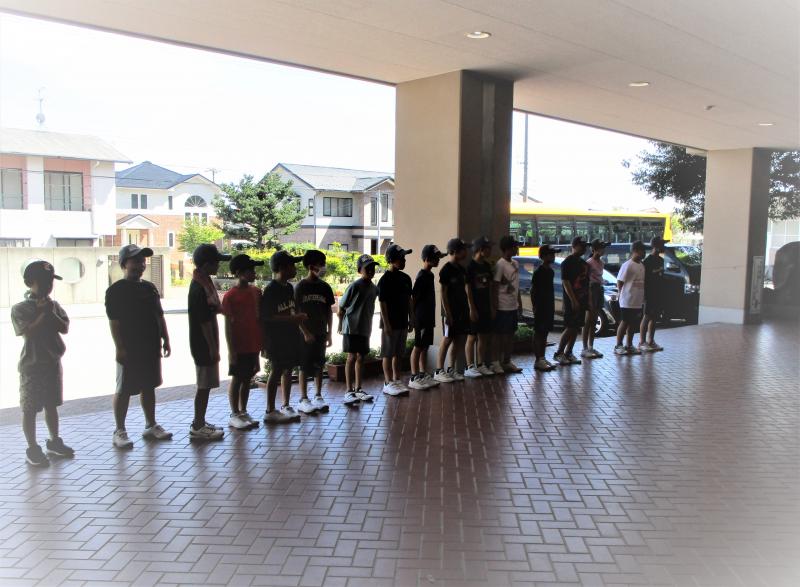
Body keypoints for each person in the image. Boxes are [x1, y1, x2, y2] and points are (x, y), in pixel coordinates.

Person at [106, 244, 173, 449]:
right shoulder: (116, 291)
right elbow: (114, 322)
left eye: (143, 261)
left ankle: (150, 425)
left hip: (150, 346)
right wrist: (120, 347)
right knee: (124, 389)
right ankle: (119, 430)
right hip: (129, 348)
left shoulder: (149, 288)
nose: (141, 265)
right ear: (124, 264)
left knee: (149, 385)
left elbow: (159, 315)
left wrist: (166, 338)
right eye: (135, 261)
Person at [11, 260, 73, 466]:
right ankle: (32, 448)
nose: (48, 286)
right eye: (43, 281)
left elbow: (64, 327)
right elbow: (26, 332)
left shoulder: (54, 305)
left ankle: (54, 441)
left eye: (50, 281)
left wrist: (50, 311)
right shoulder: (20, 308)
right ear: (30, 282)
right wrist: (42, 313)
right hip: (32, 366)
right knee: (29, 409)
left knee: (51, 405)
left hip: (52, 363)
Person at [188, 243, 231, 440]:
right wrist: (213, 348)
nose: (218, 266)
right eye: (216, 262)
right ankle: (197, 425)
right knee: (203, 385)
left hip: (207, 341)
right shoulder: (199, 288)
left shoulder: (204, 282)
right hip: (202, 343)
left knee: (205, 384)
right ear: (206, 264)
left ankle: (201, 421)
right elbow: (204, 321)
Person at [261, 250, 306, 423]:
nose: (295, 268)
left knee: (288, 369)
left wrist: (298, 320)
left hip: (290, 336)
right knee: (276, 370)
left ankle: (285, 405)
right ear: (281, 268)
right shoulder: (271, 290)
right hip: (276, 338)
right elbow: (267, 317)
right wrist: (292, 319)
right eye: (291, 265)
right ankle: (270, 410)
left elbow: (291, 310)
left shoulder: (289, 287)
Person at [222, 253, 264, 431]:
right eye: (249, 270)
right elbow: (227, 325)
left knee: (248, 378)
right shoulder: (230, 296)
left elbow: (259, 318)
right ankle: (234, 414)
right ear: (239, 272)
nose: (253, 273)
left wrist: (261, 342)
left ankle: (243, 411)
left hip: (253, 342)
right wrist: (231, 350)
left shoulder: (256, 292)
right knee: (238, 377)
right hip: (239, 345)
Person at [295, 249, 335, 414]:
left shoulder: (324, 287)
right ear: (311, 266)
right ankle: (303, 399)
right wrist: (305, 332)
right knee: (304, 366)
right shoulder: (300, 287)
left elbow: (329, 311)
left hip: (320, 332)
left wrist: (329, 332)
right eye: (321, 264)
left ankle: (318, 395)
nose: (323, 267)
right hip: (305, 335)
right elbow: (295, 312)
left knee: (319, 364)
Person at [337, 254, 379, 405]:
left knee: (361, 357)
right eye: (367, 268)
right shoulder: (354, 286)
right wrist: (340, 325)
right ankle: (349, 391)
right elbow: (341, 307)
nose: (371, 270)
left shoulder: (374, 288)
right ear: (359, 270)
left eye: (372, 267)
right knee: (351, 357)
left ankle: (359, 389)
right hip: (351, 328)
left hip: (365, 328)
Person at [377, 244, 414, 396]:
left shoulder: (406, 278)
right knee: (388, 353)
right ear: (391, 260)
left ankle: (396, 379)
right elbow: (382, 303)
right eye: (401, 258)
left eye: (404, 258)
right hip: (390, 324)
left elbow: (409, 300)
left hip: (402, 321)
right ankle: (388, 382)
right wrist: (386, 324)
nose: (404, 261)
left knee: (399, 353)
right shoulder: (384, 280)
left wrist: (411, 318)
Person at [409, 244, 445, 390]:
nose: (438, 260)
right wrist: (412, 318)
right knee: (418, 346)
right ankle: (414, 377)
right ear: (427, 258)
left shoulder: (430, 275)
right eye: (435, 258)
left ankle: (423, 374)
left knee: (425, 347)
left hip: (429, 317)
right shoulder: (422, 276)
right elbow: (414, 299)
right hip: (421, 318)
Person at [434, 238, 470, 383]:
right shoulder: (446, 270)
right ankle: (438, 370)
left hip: (462, 311)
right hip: (450, 312)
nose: (466, 252)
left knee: (458, 340)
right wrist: (448, 313)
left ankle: (451, 369)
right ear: (454, 251)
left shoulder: (462, 269)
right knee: (447, 339)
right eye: (463, 250)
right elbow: (443, 293)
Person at [554, 236, 589, 365]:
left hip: (582, 299)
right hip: (571, 301)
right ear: (573, 246)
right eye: (581, 246)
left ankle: (569, 352)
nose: (584, 249)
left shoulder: (584, 264)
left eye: (585, 246)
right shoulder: (567, 262)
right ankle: (559, 353)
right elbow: (566, 282)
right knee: (570, 326)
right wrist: (573, 300)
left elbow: (587, 283)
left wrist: (588, 299)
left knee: (576, 327)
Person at [491, 236, 523, 374]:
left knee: (510, 335)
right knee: (499, 336)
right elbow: (495, 287)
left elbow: (516, 285)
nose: (516, 248)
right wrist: (495, 307)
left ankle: (507, 361)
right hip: (502, 306)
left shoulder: (515, 263)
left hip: (513, 306)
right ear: (507, 249)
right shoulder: (500, 264)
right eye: (514, 246)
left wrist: (519, 303)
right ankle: (495, 362)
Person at [465, 236, 496, 377]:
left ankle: (481, 364)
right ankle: (469, 366)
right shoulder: (470, 267)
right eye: (488, 248)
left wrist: (491, 306)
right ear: (481, 249)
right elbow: (468, 289)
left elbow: (490, 288)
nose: (490, 251)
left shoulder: (487, 266)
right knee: (472, 336)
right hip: (474, 306)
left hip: (485, 306)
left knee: (483, 336)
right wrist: (472, 308)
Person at [614, 241, 647, 355]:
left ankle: (629, 345)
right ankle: (618, 345)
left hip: (637, 301)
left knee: (633, 323)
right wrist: (622, 295)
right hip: (627, 300)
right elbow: (620, 281)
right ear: (635, 250)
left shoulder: (641, 265)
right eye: (642, 250)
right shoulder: (627, 265)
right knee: (625, 322)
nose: (644, 253)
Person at [582, 239, 610, 359]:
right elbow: (585, 280)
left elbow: (599, 277)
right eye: (600, 248)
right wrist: (588, 296)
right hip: (591, 290)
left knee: (594, 320)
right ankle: (584, 348)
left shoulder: (601, 262)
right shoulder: (588, 263)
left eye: (603, 248)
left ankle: (591, 346)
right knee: (588, 320)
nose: (603, 250)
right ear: (593, 249)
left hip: (599, 289)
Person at [639, 236, 668, 352]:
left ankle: (651, 341)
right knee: (647, 316)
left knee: (654, 317)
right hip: (649, 293)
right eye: (662, 245)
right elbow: (644, 279)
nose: (664, 247)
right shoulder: (647, 261)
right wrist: (644, 295)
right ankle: (642, 342)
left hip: (658, 293)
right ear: (656, 247)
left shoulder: (661, 260)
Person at [531, 245, 558, 372]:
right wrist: (535, 306)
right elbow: (533, 290)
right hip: (540, 307)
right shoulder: (538, 272)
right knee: (539, 332)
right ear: (543, 256)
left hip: (549, 306)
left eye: (553, 254)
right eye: (550, 254)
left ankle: (542, 357)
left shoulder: (551, 272)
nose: (553, 256)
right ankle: (538, 360)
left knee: (546, 332)